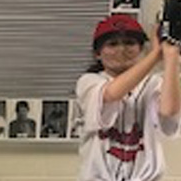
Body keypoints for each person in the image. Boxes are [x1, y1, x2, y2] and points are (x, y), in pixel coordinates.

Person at [75, 14, 180, 181]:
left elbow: (168, 111)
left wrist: (171, 56)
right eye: (112, 44)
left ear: (140, 48)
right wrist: (154, 56)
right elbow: (112, 93)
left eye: (129, 43)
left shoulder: (154, 82)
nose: (121, 50)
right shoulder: (89, 82)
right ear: (97, 53)